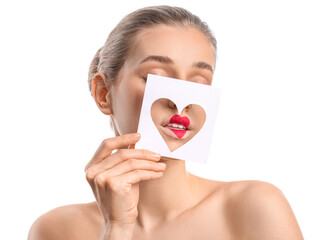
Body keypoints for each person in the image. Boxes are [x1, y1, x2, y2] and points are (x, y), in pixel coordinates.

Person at [28, 5, 303, 240]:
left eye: (198, 82)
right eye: (155, 76)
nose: (179, 101)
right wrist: (117, 230)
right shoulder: (56, 229)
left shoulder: (255, 206)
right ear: (103, 94)